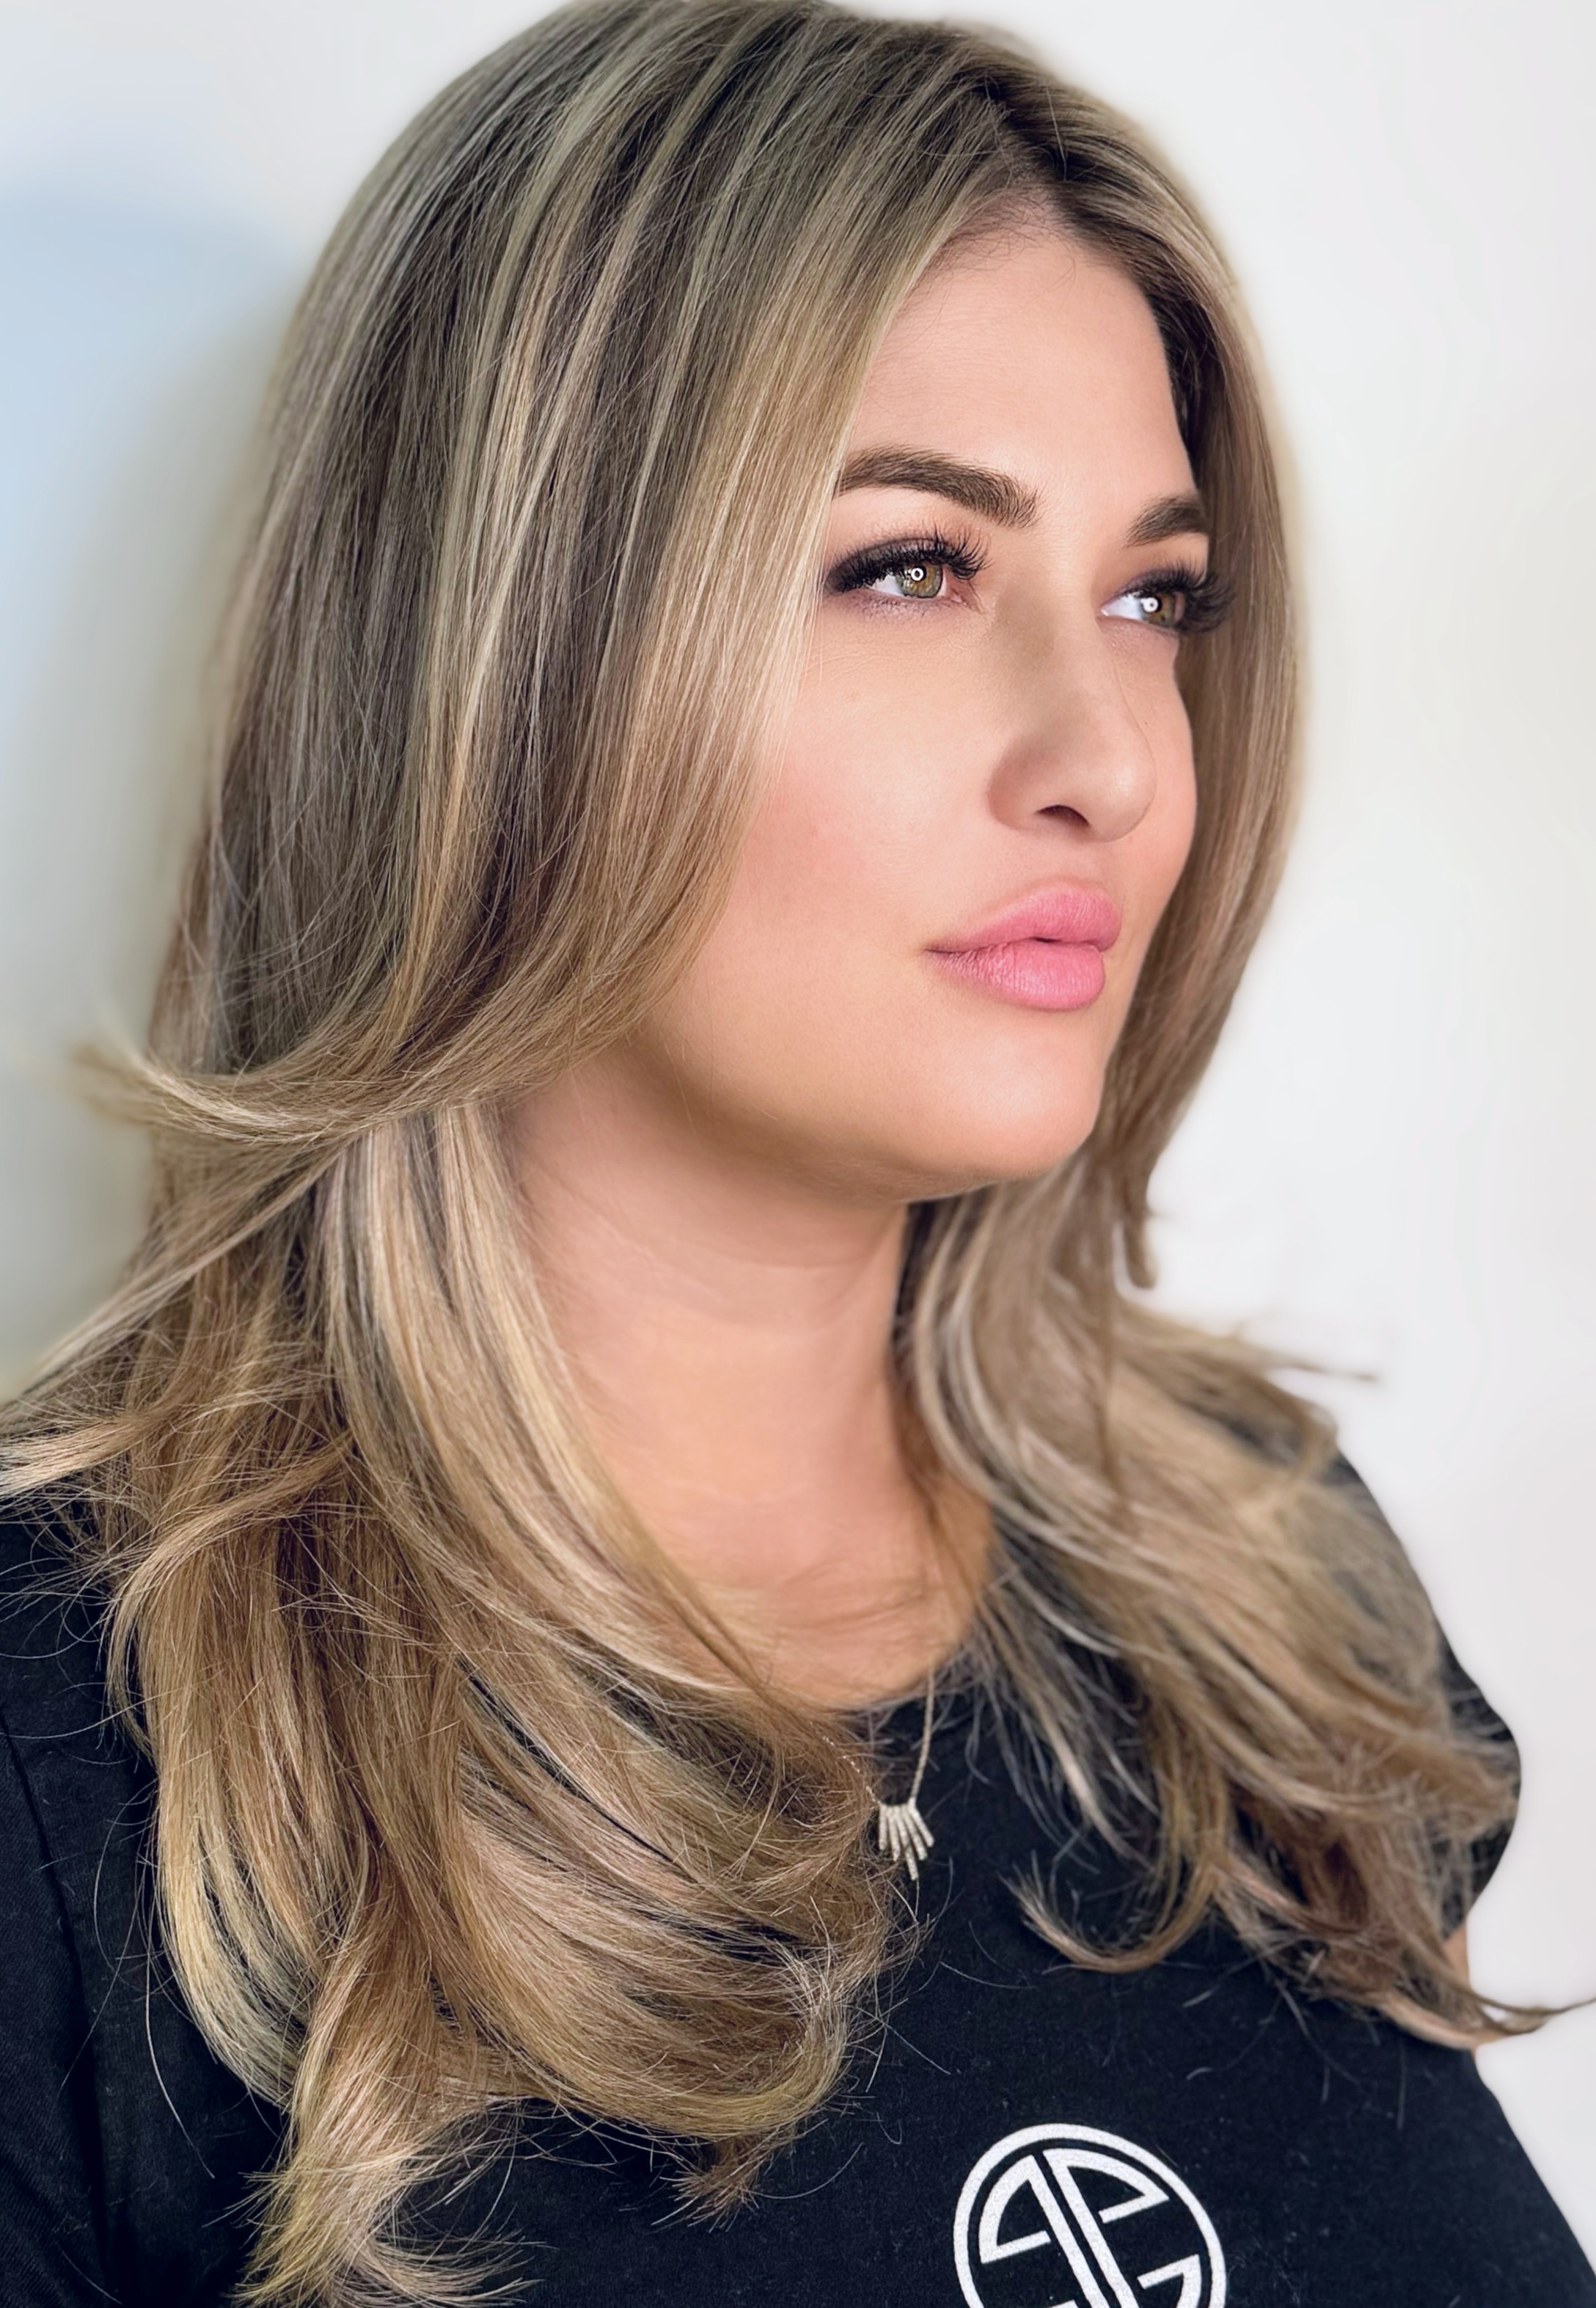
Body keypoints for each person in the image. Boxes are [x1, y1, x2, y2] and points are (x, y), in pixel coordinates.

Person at [1, 2, 1590, 2301]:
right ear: (505, 648)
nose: (1112, 758)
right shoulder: (73, 1768)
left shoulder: (1264, 1577)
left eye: (1156, 597)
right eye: (910, 565)